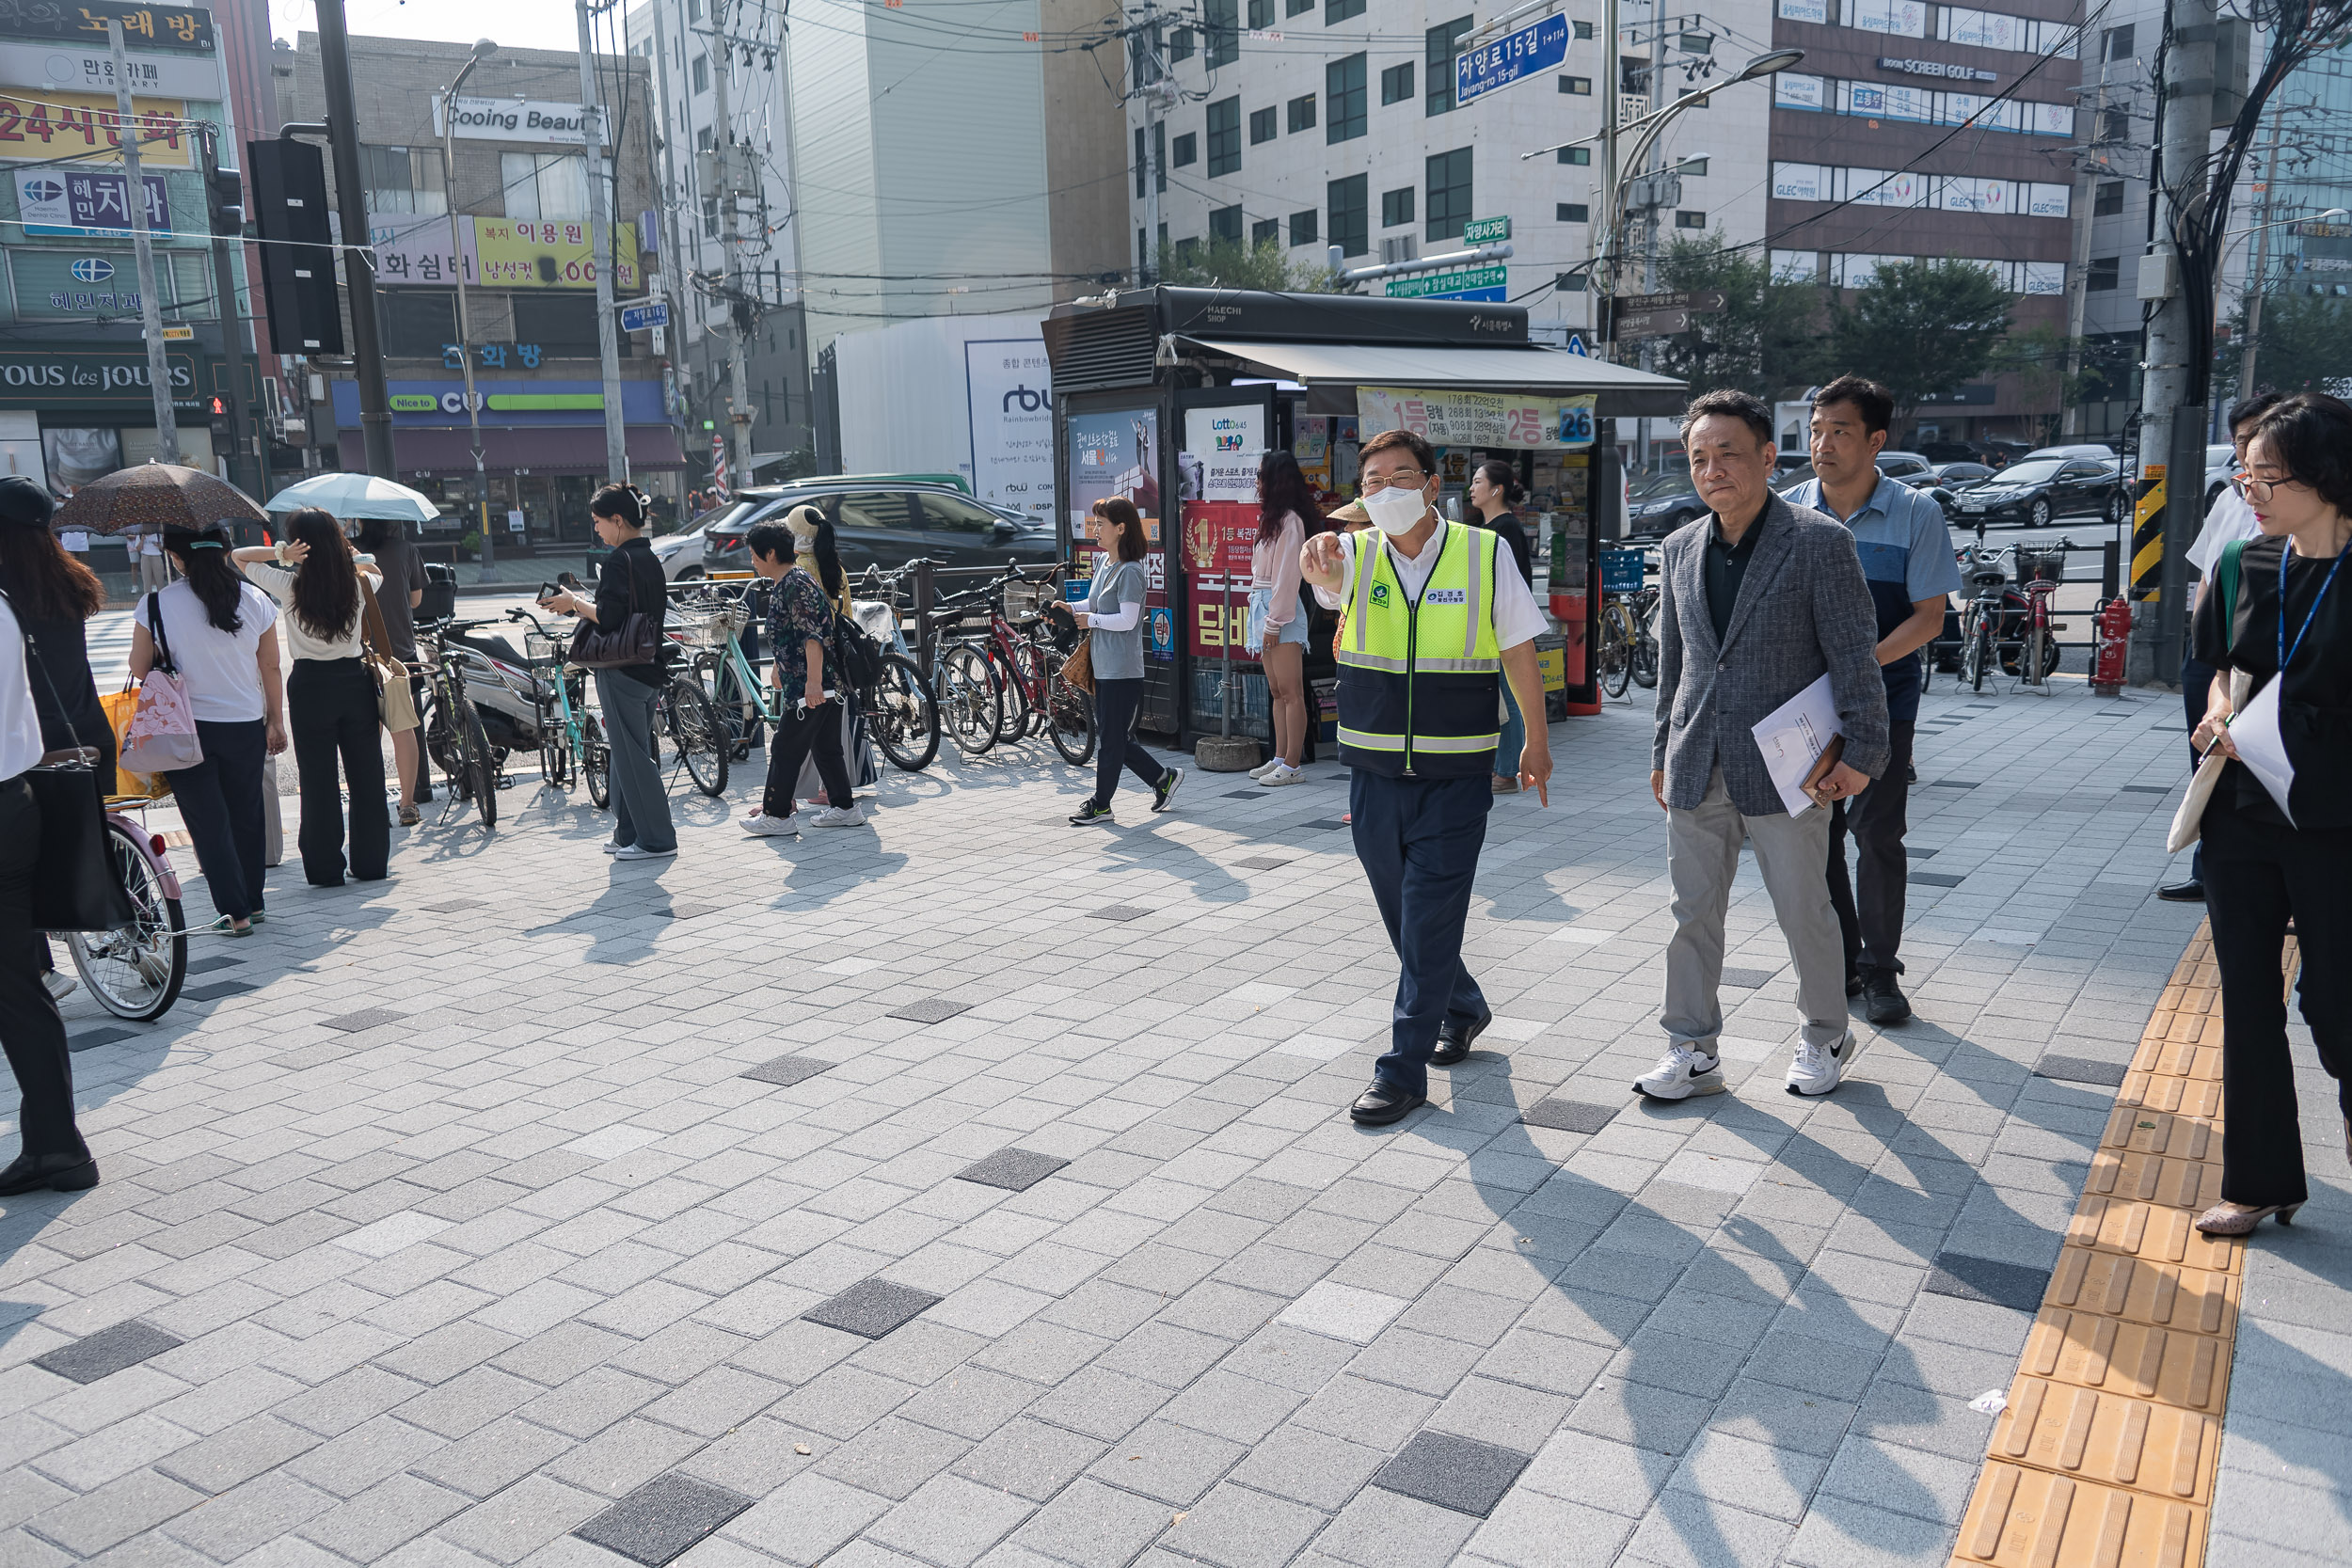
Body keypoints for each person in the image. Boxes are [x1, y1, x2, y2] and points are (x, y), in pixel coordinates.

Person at [1637, 390, 1889, 1102]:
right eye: (1699, 457)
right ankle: (1691, 1046)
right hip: (1697, 760)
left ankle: (1824, 1033)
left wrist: (1863, 754)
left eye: (1728, 454)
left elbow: (1854, 657)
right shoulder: (1680, 546)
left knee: (1803, 907)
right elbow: (1676, 664)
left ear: (1768, 458)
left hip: (1790, 768)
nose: (1713, 469)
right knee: (1691, 914)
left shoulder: (1817, 541)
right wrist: (1663, 749)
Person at [1300, 429, 1553, 1127]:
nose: (1383, 490)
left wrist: (1534, 739)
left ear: (1431, 485)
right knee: (1406, 919)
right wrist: (1316, 561)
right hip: (1373, 776)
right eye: (1371, 481)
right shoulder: (1354, 555)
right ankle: (1464, 1005)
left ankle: (1401, 1070)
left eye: (1398, 476)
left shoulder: (1483, 554)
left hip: (1456, 776)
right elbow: (1321, 573)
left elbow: (1519, 650)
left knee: (1431, 916)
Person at [2186, 393, 2352, 1235]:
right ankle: (2260, 1180)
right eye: (2244, 472)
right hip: (2244, 811)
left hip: (2335, 821)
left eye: (2267, 475)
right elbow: (2222, 666)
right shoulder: (2246, 563)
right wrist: (2220, 712)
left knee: (2337, 1002)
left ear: (2324, 476)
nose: (2249, 488)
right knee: (2246, 998)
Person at [1783, 376, 1962, 1026]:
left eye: (1840, 431)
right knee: (1817, 836)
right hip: (1806, 710)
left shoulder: (1917, 512)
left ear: (1876, 440)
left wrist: (1857, 666)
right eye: (1816, 429)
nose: (1822, 443)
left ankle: (1882, 972)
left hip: (1886, 703)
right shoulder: (1789, 511)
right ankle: (1843, 959)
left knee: (1878, 833)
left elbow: (1929, 618)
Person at [131, 527, 286, 934]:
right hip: (246, 723)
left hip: (187, 728)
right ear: (226, 551)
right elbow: (270, 666)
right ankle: (255, 901)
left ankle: (235, 914)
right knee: (246, 816)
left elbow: (139, 667)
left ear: (175, 557)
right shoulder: (256, 599)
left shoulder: (156, 604)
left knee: (208, 823)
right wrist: (276, 720)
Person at [2163, 389, 2284, 904]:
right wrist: (2202, 646)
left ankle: (2280, 881)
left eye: (2258, 441)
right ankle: (2210, 867)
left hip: (2265, 660)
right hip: (2217, 661)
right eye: (2240, 442)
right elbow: (2209, 575)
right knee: (2210, 756)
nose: (2246, 454)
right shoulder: (2230, 500)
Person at [0, 582, 98, 1194]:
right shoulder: (6, 600)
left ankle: (57, 1144)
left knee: (13, 986)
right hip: (15, 799)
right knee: (17, 985)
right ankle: (53, 1143)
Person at [233, 513, 388, 887]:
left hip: (310, 686)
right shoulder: (361, 581)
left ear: (299, 545)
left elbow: (238, 557)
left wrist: (283, 553)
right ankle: (369, 863)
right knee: (367, 776)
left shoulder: (287, 585)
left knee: (318, 780)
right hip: (354, 683)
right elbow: (371, 562)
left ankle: (324, 868)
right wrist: (341, 550)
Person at [0, 479, 110, 1001]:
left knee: (20, 866)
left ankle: (41, 969)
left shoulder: (5, 590)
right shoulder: (72, 579)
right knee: (85, 838)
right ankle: (133, 927)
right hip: (86, 732)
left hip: (31, 746)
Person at [542, 484, 676, 861]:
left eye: (599, 522)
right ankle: (627, 833)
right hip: (647, 667)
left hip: (623, 670)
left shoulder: (619, 561)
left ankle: (656, 840)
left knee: (632, 757)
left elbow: (610, 617)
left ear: (618, 520)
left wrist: (574, 603)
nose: (596, 529)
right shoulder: (649, 556)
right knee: (624, 752)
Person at [739, 514, 864, 836]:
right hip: (822, 684)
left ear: (769, 554)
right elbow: (796, 636)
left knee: (784, 747)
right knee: (825, 748)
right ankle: (845, 808)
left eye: (754, 555)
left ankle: (777, 815)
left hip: (814, 686)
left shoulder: (794, 583)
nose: (753, 563)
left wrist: (812, 682)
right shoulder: (792, 582)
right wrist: (783, 669)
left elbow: (813, 637)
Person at [1069, 498, 1183, 825]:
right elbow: (1092, 603)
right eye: (1095, 522)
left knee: (1111, 740)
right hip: (1104, 666)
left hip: (1122, 670)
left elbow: (1128, 619)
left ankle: (1101, 804)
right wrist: (1069, 609)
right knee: (1116, 737)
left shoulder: (1132, 571)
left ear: (1121, 528)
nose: (1096, 529)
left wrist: (1090, 620)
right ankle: (1164, 779)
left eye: (1101, 523)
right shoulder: (1105, 563)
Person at [1468, 461, 1537, 796]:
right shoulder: (1485, 527)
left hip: (1502, 627)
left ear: (1496, 490)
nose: (1471, 487)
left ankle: (1508, 770)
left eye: (1478, 481)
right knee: (1498, 699)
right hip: (1486, 626)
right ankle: (1501, 765)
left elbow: (1513, 584)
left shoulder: (1506, 528)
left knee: (1508, 700)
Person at [356, 516, 431, 823]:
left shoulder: (349, 551)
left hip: (360, 655)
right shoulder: (406, 549)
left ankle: (374, 804)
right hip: (399, 654)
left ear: (359, 520)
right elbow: (415, 601)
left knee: (366, 735)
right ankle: (408, 803)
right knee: (404, 730)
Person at [1248, 451, 1316, 785]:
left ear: (1276, 480)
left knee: (1291, 691)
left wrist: (1273, 622)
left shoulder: (1291, 521)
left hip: (1280, 610)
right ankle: (1279, 757)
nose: (1257, 483)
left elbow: (1288, 577)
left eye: (1261, 476)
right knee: (1276, 690)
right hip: (1263, 605)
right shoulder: (1271, 519)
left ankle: (1292, 765)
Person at [135, 526, 168, 594]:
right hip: (145, 556)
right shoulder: (140, 535)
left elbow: (163, 548)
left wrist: (159, 545)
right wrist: (142, 540)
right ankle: (147, 598)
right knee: (146, 581)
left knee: (160, 580)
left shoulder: (158, 535)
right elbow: (138, 549)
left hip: (156, 556)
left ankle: (161, 597)